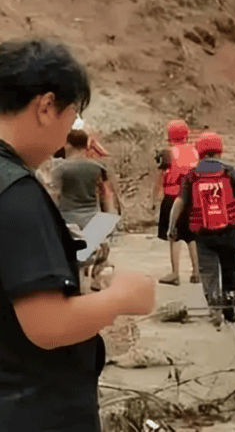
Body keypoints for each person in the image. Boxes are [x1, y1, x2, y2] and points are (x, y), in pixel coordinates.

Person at [0, 39, 155, 431]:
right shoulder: (16, 192)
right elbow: (48, 325)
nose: (66, 134)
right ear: (47, 106)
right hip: (32, 408)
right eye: (72, 116)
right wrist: (121, 297)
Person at [168, 132, 235, 329]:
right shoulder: (230, 172)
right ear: (220, 150)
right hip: (230, 231)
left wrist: (171, 227)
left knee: (208, 271)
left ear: (199, 152)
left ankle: (214, 307)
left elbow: (179, 202)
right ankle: (230, 306)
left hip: (203, 233)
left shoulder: (192, 175)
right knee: (230, 269)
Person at [50, 128, 122, 293]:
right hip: (94, 220)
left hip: (68, 221)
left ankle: (78, 296)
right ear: (85, 146)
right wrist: (110, 219)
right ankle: (98, 279)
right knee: (98, 259)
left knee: (75, 264)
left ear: (67, 145)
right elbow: (107, 196)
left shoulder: (59, 168)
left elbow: (55, 195)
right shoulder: (98, 167)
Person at [153, 119, 200, 286]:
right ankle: (196, 271)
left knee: (173, 234)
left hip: (172, 197)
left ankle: (175, 273)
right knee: (191, 236)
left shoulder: (167, 153)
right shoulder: (195, 152)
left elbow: (161, 177)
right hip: (192, 198)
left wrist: (155, 197)